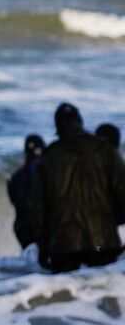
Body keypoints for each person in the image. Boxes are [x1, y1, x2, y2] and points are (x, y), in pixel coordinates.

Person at [29, 103, 125, 273]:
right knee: (105, 293)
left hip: (63, 245)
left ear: (57, 127)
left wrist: (43, 247)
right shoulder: (105, 150)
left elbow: (38, 208)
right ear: (80, 121)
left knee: (68, 296)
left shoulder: (49, 157)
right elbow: (122, 192)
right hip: (101, 241)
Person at [7, 134, 47, 252]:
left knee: (30, 258)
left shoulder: (16, 176)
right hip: (42, 225)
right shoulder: (46, 169)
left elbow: (14, 200)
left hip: (22, 227)